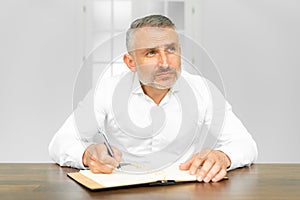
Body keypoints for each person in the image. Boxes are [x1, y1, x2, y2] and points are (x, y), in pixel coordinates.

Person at [49, 14, 257, 183]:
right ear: (130, 62)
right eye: (151, 53)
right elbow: (60, 142)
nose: (165, 62)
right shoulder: (108, 89)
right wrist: (87, 154)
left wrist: (223, 157)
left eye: (171, 50)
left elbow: (245, 143)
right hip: (122, 190)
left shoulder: (203, 89)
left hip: (186, 191)